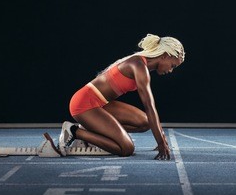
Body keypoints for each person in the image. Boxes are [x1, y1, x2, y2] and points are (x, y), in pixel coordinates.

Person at [57, 33, 185, 160]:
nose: (170, 70)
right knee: (126, 148)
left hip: (100, 104)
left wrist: (161, 136)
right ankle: (75, 132)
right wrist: (161, 142)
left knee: (145, 122)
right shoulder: (138, 65)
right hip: (84, 104)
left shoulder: (142, 64)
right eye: (172, 65)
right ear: (164, 56)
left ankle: (93, 131)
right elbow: (149, 106)